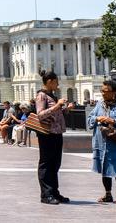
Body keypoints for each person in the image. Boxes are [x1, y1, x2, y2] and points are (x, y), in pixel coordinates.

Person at [88, 80, 116, 204]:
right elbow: (89, 119)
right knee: (104, 168)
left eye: (105, 91)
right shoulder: (100, 104)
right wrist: (97, 118)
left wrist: (113, 121)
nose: (102, 93)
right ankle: (108, 194)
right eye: (102, 91)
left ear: (113, 92)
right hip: (101, 142)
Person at [35, 70, 72, 205]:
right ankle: (46, 194)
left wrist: (65, 109)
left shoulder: (52, 95)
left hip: (56, 133)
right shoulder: (41, 96)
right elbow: (40, 114)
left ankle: (54, 192)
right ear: (49, 81)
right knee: (46, 163)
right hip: (46, 134)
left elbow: (56, 113)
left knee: (55, 164)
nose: (57, 85)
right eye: (56, 82)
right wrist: (57, 105)